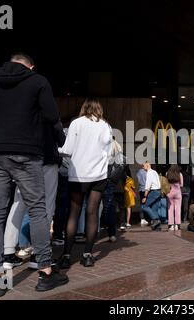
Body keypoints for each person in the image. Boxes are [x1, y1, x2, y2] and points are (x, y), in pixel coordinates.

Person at [0, 53, 68, 298]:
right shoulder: (38, 81)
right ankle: (46, 273)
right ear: (31, 66)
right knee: (37, 209)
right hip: (25, 151)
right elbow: (51, 116)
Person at [3, 106, 66, 270]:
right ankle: (39, 254)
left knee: (18, 205)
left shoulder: (20, 112)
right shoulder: (50, 113)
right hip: (46, 161)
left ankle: (8, 253)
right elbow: (61, 139)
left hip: (22, 162)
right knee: (47, 206)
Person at [58, 100, 112, 269]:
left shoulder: (76, 123)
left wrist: (54, 149)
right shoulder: (105, 126)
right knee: (92, 213)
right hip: (99, 175)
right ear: (99, 110)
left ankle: (66, 255)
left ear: (84, 109)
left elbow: (67, 149)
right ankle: (88, 255)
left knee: (74, 213)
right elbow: (109, 153)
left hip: (78, 175)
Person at [103, 139, 126, 242]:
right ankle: (111, 233)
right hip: (112, 183)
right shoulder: (121, 159)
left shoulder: (104, 155)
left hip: (101, 181)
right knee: (110, 206)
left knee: (94, 207)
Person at [141, 162, 162, 231]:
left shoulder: (149, 173)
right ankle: (157, 227)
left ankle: (156, 220)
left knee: (144, 206)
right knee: (154, 209)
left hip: (154, 191)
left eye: (143, 166)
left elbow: (147, 186)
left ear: (147, 166)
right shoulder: (154, 172)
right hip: (158, 191)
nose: (142, 167)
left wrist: (145, 197)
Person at [166, 165, 183, 231]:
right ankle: (177, 225)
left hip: (170, 192)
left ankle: (171, 225)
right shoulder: (180, 174)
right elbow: (182, 184)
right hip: (178, 193)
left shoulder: (167, 173)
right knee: (178, 208)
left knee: (170, 209)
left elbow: (166, 183)